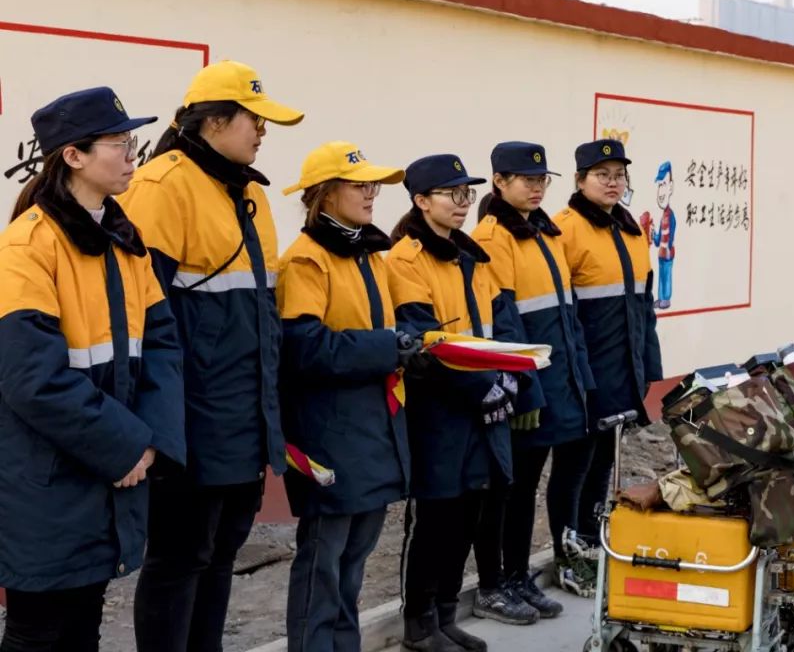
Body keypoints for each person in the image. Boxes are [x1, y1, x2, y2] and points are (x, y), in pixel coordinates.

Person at [117, 60, 304, 651]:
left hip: (245, 420)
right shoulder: (162, 187)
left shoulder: (250, 194)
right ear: (213, 121)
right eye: (254, 120)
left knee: (220, 555)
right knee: (179, 560)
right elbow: (146, 321)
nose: (263, 132)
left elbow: (260, 318)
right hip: (192, 420)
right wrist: (162, 428)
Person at [0, 88, 184, 650]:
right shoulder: (26, 246)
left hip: (111, 472)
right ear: (74, 156)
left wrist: (149, 444)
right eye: (119, 142)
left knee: (84, 622)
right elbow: (33, 379)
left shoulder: (125, 244)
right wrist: (127, 445)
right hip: (48, 479)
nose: (132, 154)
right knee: (38, 630)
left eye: (132, 141)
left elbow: (163, 349)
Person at [276, 141, 413, 651]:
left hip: (374, 430)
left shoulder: (368, 256)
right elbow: (305, 347)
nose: (371, 194)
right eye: (360, 185)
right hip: (329, 433)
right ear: (324, 195)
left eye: (372, 185)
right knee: (323, 562)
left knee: (353, 563)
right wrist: (388, 347)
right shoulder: (306, 260)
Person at [387, 154, 520, 652]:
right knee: (437, 517)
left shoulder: (471, 257)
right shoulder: (404, 259)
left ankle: (445, 612)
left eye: (468, 194)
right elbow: (425, 339)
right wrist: (480, 385)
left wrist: (509, 377)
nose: (464, 203)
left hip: (487, 408)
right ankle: (419, 623)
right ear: (421, 201)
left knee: (473, 511)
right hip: (441, 411)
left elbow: (501, 326)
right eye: (452, 194)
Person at [470, 142, 594, 621]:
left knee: (526, 486)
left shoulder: (546, 233)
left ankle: (518, 576)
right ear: (499, 182)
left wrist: (579, 378)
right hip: (527, 389)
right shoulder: (492, 237)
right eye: (526, 179)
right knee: (510, 490)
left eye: (542, 179)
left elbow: (566, 318)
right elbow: (507, 327)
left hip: (557, 383)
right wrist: (524, 392)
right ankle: (495, 584)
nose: (537, 187)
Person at [554, 139, 662, 594]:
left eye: (619, 174)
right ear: (580, 181)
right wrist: (573, 373)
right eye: (602, 174)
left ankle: (592, 541)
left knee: (603, 460)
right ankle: (566, 552)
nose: (613, 181)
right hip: (585, 371)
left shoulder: (631, 231)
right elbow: (562, 314)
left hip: (622, 369)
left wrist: (648, 367)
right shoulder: (564, 229)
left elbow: (643, 307)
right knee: (574, 462)